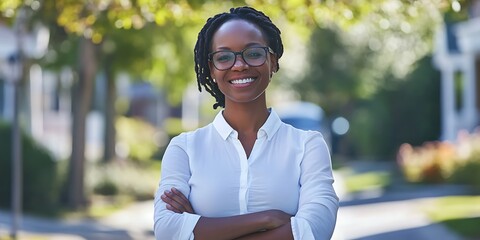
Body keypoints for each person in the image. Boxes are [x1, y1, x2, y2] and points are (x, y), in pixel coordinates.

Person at [154, 6, 338, 240]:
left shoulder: (308, 146)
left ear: (273, 61)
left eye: (253, 53)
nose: (239, 65)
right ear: (211, 69)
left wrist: (199, 229)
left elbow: (314, 230)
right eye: (224, 57)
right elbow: (167, 230)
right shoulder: (184, 149)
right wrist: (268, 218)